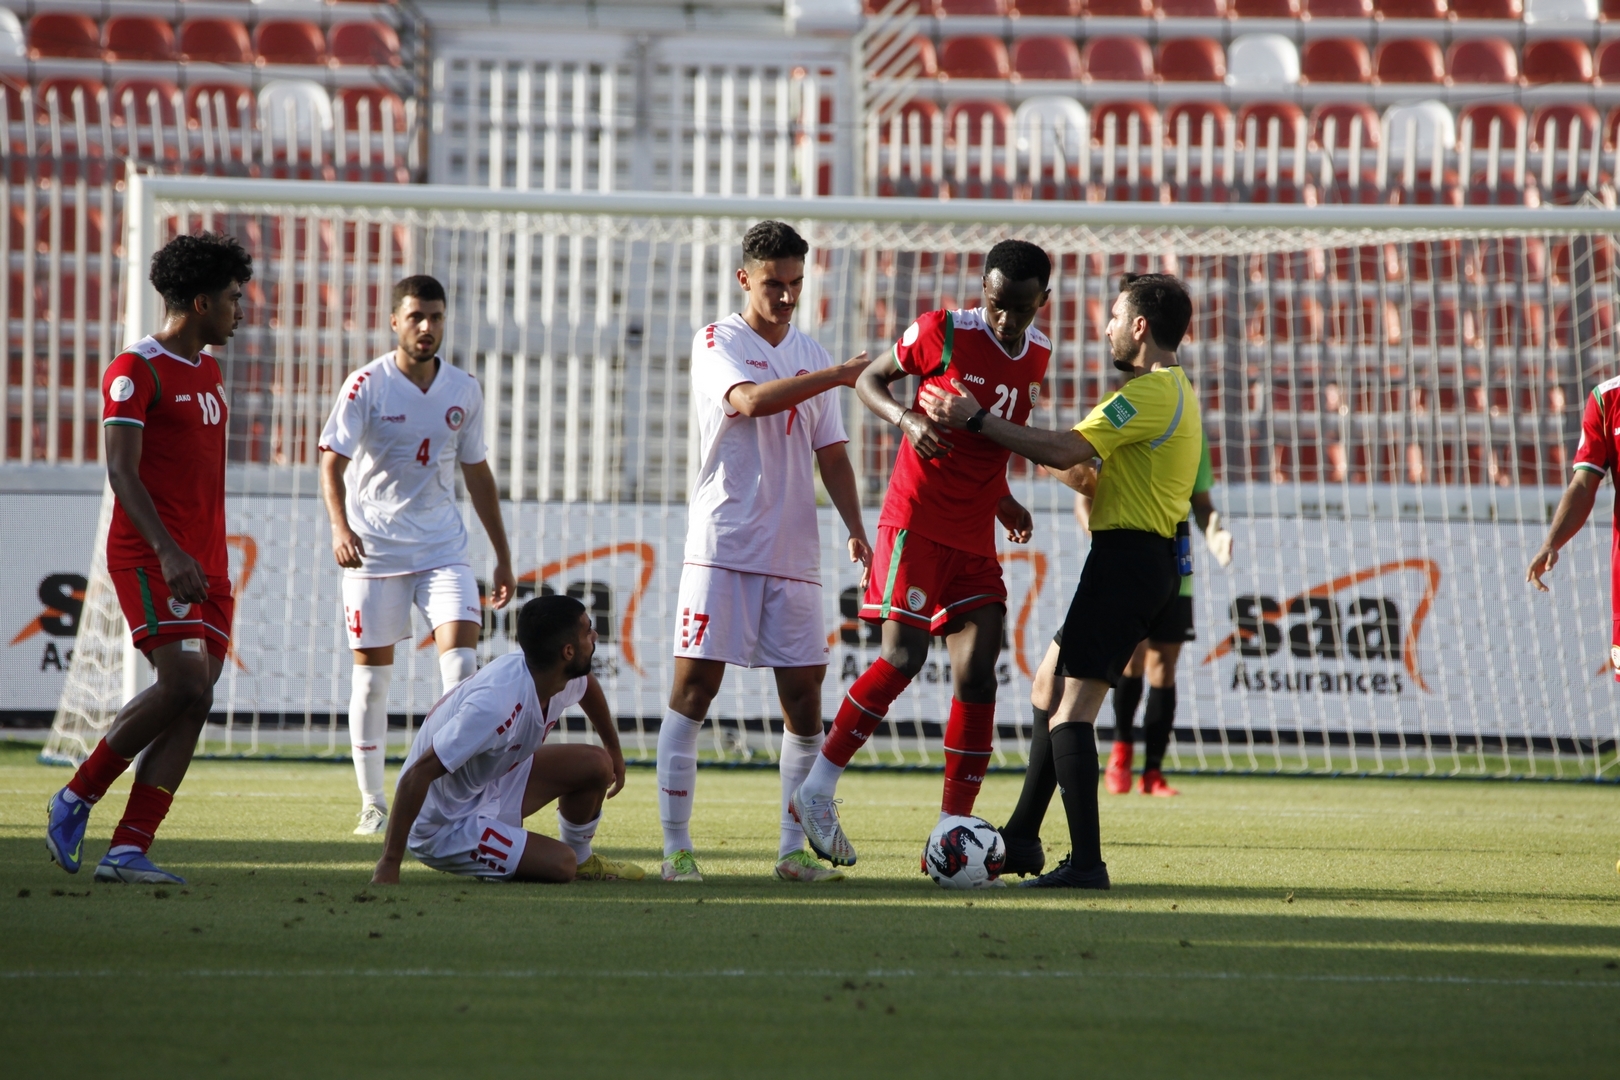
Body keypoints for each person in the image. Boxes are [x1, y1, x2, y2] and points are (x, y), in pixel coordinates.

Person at [919, 272, 1202, 889]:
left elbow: (1067, 450)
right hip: (1134, 561)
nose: (1105, 328)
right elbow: (1084, 472)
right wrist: (1025, 438)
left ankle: (1087, 865)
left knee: (1071, 713)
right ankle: (1023, 837)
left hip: (1128, 563)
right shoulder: (1172, 392)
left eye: (1114, 317)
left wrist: (978, 419)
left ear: (1140, 326)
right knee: (1048, 687)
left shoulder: (1146, 394)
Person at [789, 239, 1048, 870]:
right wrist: (907, 420)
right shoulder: (943, 331)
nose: (1006, 318)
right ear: (982, 291)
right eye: (996, 303)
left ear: (1042, 301)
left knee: (979, 671)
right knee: (903, 657)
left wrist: (1003, 500)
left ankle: (952, 826)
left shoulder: (1038, 354)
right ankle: (816, 789)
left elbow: (990, 443)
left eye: (1019, 307)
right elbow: (869, 380)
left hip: (973, 535)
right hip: (916, 520)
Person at [655, 220, 871, 884]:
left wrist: (856, 526)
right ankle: (676, 850)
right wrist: (834, 376)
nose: (786, 296)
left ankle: (790, 851)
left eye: (796, 283)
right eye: (774, 283)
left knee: (804, 698)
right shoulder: (718, 340)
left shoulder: (811, 350)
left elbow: (832, 455)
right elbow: (748, 402)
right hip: (724, 541)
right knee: (694, 689)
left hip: (794, 550)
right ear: (745, 278)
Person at [45, 232, 251, 885]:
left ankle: (128, 849)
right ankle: (76, 794)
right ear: (200, 303)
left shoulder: (209, 371)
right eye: (232, 298)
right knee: (184, 683)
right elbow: (122, 472)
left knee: (197, 698)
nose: (240, 310)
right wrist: (167, 550)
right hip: (152, 554)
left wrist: (200, 554)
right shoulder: (136, 369)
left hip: (207, 562)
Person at [318, 276, 516, 836]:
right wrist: (339, 528)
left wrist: (502, 555)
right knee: (372, 683)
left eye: (436, 317)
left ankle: (448, 797)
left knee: (462, 670)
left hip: (442, 550)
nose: (427, 327)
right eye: (416, 317)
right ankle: (373, 802)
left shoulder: (463, 389)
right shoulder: (366, 385)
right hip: (374, 552)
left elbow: (477, 473)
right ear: (395, 322)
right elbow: (331, 462)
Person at [371, 594, 642, 885]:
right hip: (445, 825)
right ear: (568, 651)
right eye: (588, 631)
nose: (595, 636)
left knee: (597, 763)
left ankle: (582, 859)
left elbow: (586, 685)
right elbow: (417, 773)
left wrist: (613, 748)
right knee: (561, 865)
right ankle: (507, 860)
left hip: (489, 784)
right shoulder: (494, 706)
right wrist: (389, 863)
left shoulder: (553, 672)